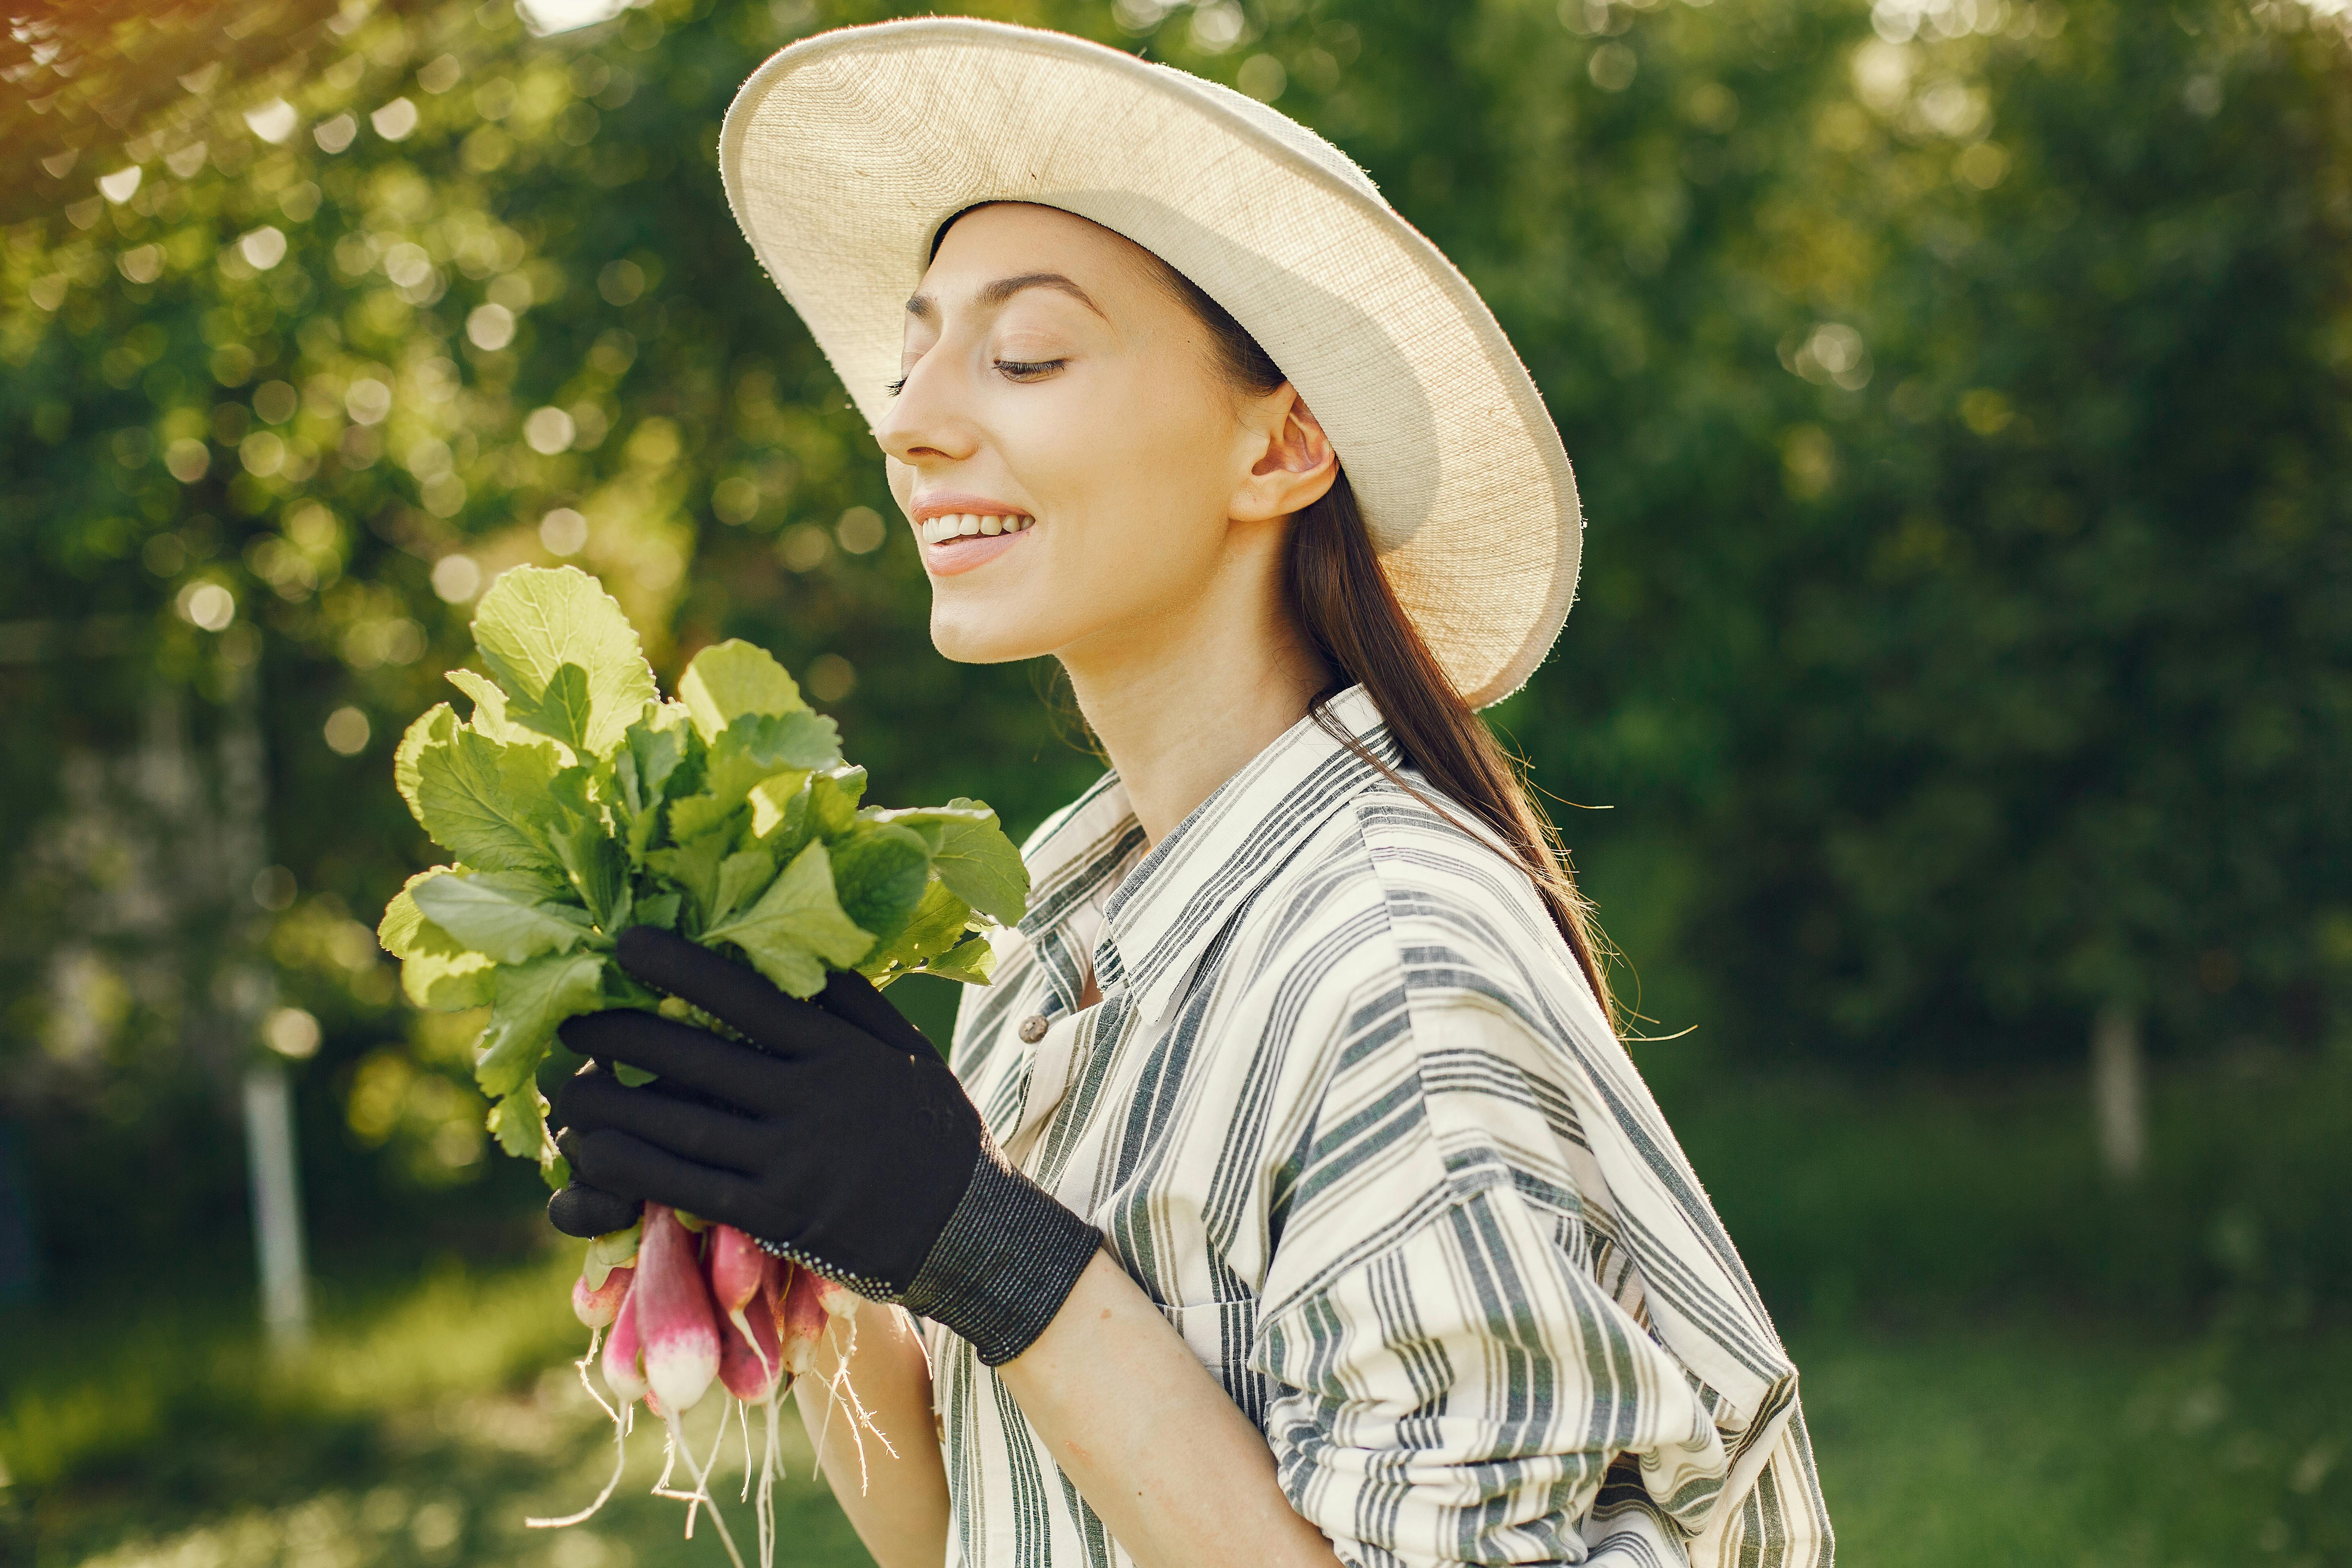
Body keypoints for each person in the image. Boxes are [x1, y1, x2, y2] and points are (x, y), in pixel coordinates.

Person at [547, 18, 1831, 1568]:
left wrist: (974, 1239)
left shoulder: (1392, 967)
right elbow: (966, 1530)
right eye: (913, 356)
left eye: (1023, 355)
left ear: (1284, 445)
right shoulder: (1049, 939)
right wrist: (779, 1206)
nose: (908, 421)